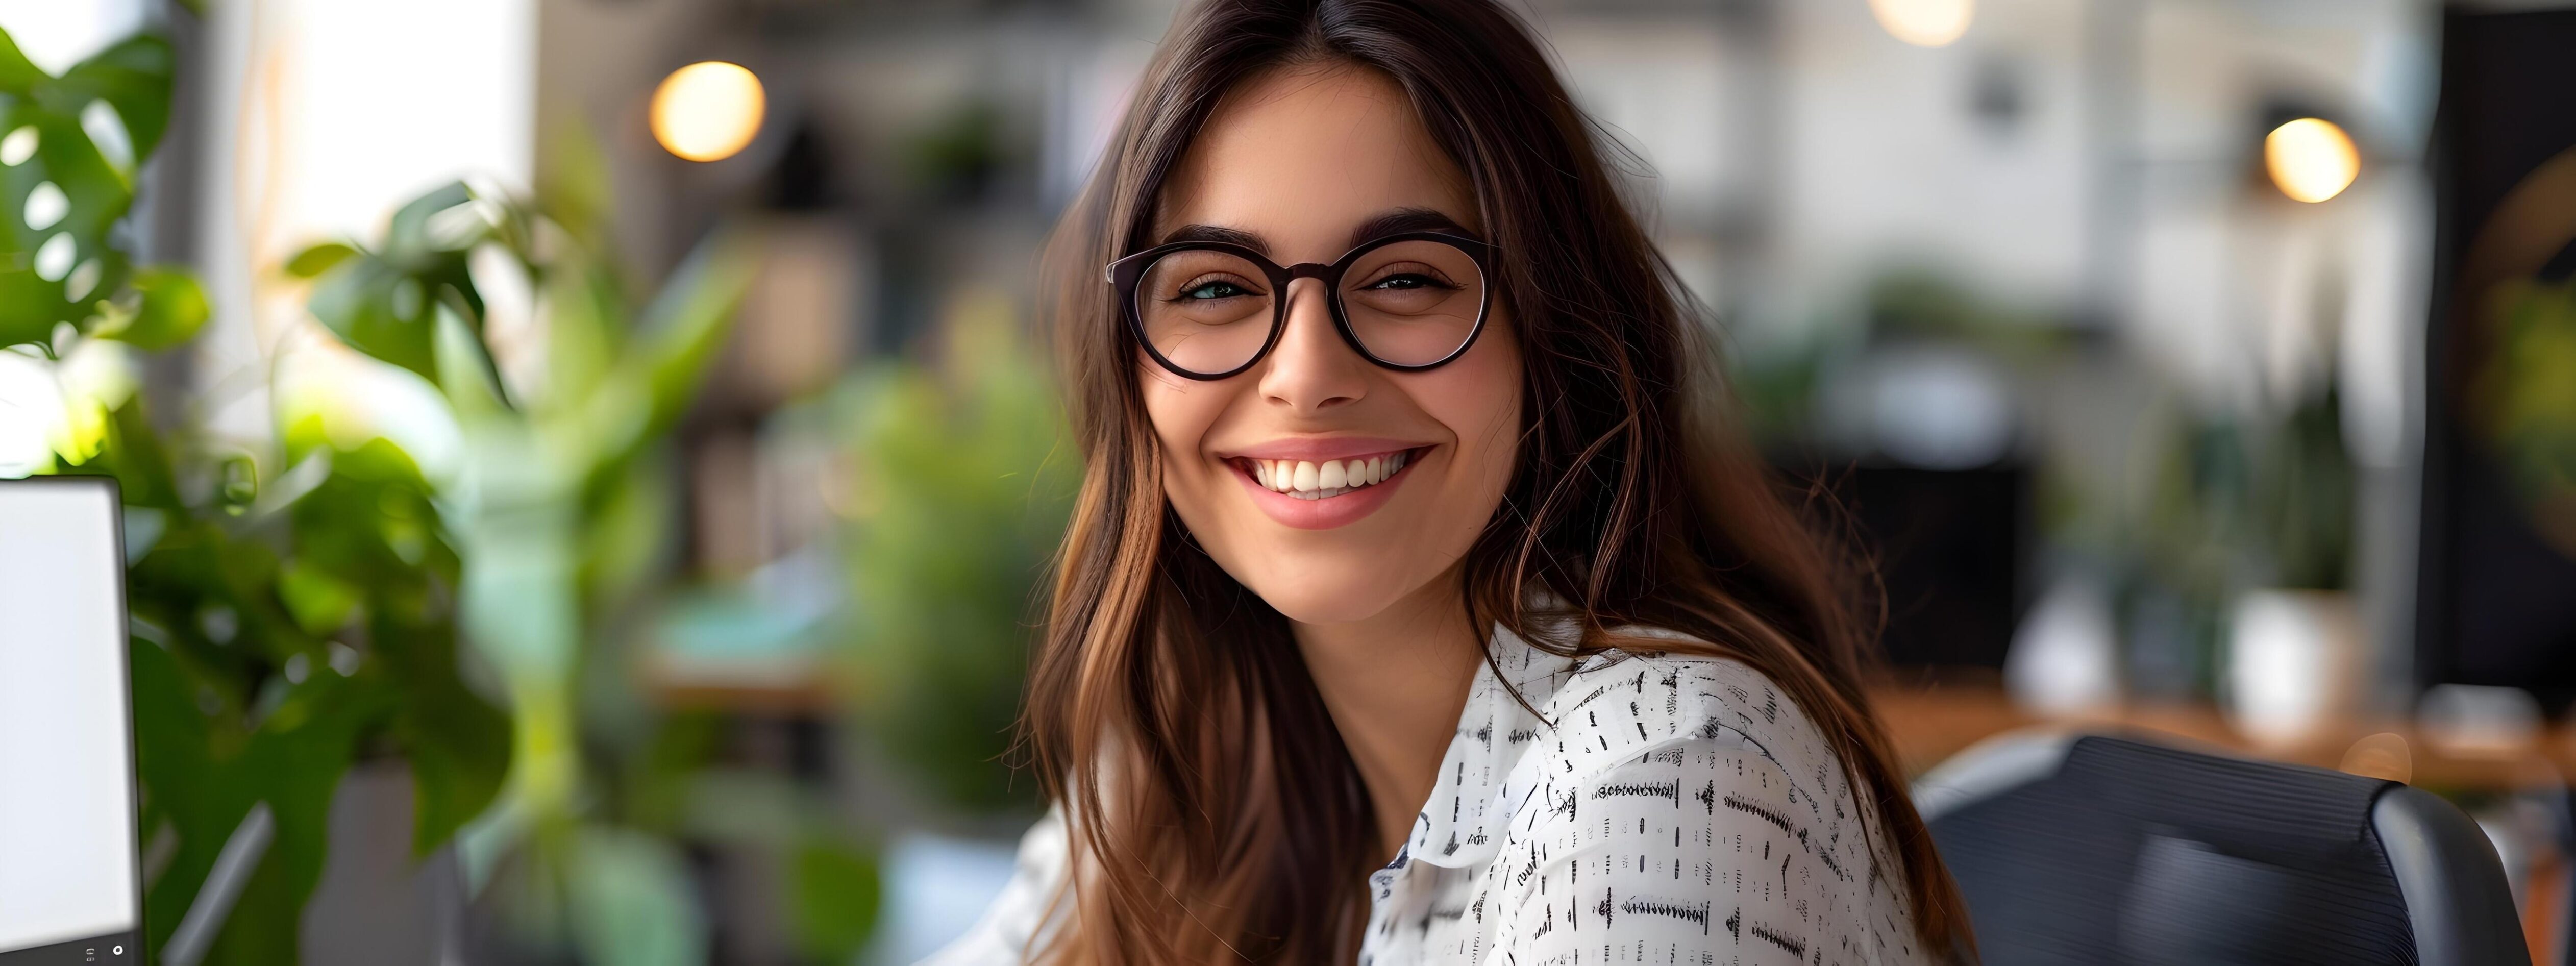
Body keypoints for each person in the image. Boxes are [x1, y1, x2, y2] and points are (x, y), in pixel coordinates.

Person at [929, 0, 1972, 961]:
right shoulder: (1194, 755)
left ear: (1554, 331)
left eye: (1402, 278)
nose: (1304, 375)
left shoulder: (1662, 780)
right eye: (1213, 286)